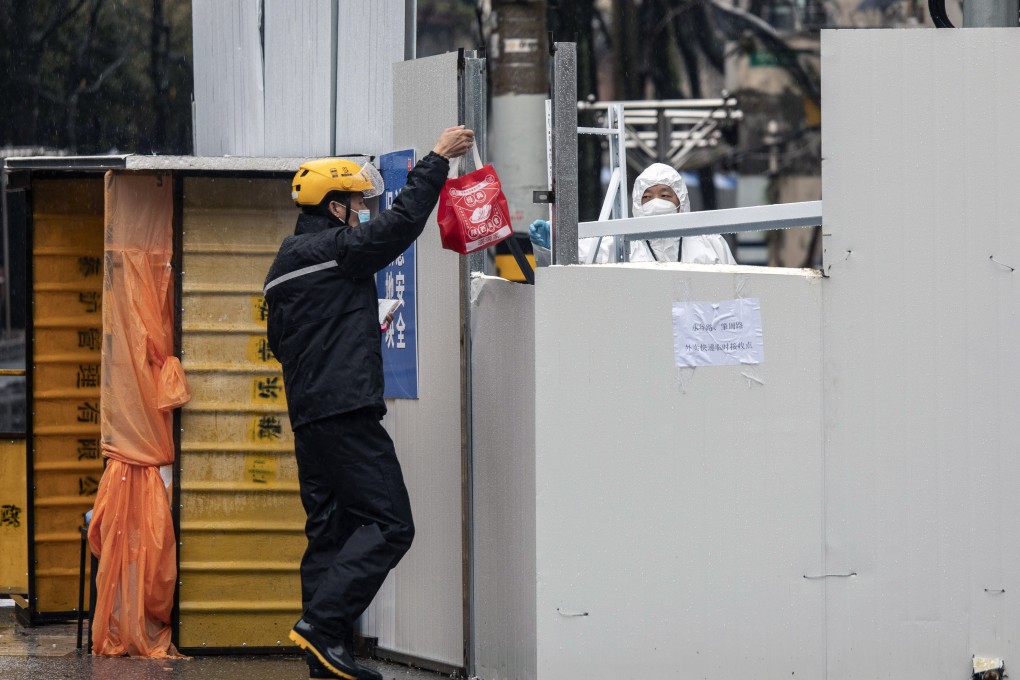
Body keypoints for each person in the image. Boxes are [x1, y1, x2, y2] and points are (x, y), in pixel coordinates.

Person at [263, 126, 475, 680]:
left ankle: (325, 657)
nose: (361, 212)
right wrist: (436, 160)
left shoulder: (284, 266)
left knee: (329, 530)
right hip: (346, 412)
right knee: (390, 523)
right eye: (357, 204)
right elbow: (398, 227)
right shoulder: (334, 251)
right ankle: (319, 625)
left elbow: (282, 345)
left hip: (308, 418)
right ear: (336, 208)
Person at [529, 162, 736, 266]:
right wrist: (552, 245)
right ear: (637, 205)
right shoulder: (622, 244)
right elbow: (573, 260)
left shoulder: (710, 242)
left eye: (665, 195)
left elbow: (738, 290)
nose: (656, 203)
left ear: (681, 201)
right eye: (647, 197)